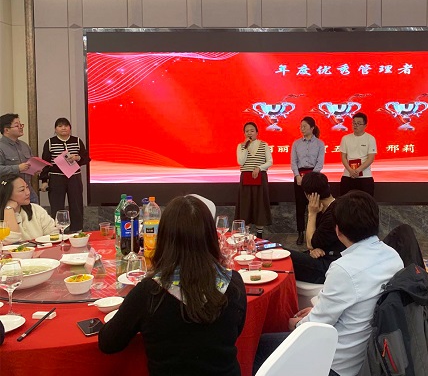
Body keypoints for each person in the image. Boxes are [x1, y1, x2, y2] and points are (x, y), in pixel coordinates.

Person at [254, 190, 403, 376]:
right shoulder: (393, 256)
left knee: (257, 347)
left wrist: (295, 324)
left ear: (338, 231)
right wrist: (316, 310)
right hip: (370, 354)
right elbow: (355, 302)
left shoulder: (344, 269)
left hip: (335, 363)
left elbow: (315, 324)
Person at [99, 195, 247, 375]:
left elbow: (108, 343)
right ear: (210, 236)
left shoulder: (148, 292)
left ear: (164, 238)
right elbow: (237, 330)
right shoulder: (234, 282)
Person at [288, 172, 345, 284]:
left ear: (309, 195)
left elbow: (310, 243)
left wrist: (312, 213)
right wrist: (313, 249)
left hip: (330, 265)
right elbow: (313, 245)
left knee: (282, 255)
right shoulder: (327, 207)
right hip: (323, 256)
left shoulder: (332, 214)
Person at [39, 117, 90, 233]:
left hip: (74, 177)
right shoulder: (50, 142)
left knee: (76, 204)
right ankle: (57, 231)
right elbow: (45, 163)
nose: (63, 128)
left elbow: (86, 158)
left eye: (66, 126)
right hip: (56, 177)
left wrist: (77, 157)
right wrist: (44, 181)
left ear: (70, 128)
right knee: (56, 205)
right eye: (60, 126)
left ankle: (77, 230)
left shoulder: (77, 141)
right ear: (55, 129)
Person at [291, 116, 325, 245]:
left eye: (304, 126)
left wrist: (311, 178)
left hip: (314, 177)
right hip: (299, 177)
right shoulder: (296, 144)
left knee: (315, 205)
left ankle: (315, 233)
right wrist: (297, 176)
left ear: (312, 128)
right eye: (301, 126)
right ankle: (301, 233)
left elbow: (320, 163)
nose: (302, 129)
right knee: (300, 206)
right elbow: (293, 162)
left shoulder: (319, 144)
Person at [235, 122, 273, 239]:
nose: (249, 133)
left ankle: (259, 234)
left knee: (259, 205)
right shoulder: (241, 146)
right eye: (247, 131)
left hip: (259, 177)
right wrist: (246, 147)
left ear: (257, 132)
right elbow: (241, 161)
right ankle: (246, 234)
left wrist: (259, 168)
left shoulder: (264, 145)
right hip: (246, 178)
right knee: (246, 205)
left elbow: (270, 161)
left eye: (252, 130)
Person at [0, 173, 57, 244]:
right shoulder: (5, 213)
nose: (28, 193)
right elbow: (11, 241)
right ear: (7, 194)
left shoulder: (36, 209)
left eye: (27, 187)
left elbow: (53, 233)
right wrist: (9, 209)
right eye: (22, 190)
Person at [0, 113, 38, 203]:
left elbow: (31, 163)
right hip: (9, 194)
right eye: (17, 125)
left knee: (35, 211)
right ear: (6, 130)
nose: (21, 127)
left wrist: (36, 169)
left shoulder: (25, 146)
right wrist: (17, 168)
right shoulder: (1, 147)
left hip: (28, 191)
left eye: (21, 125)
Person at [339, 112, 376, 196]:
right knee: (344, 200)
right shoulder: (345, 138)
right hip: (348, 174)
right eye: (354, 123)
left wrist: (358, 170)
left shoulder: (370, 139)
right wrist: (350, 170)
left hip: (365, 176)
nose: (355, 125)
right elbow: (343, 157)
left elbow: (370, 158)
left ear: (365, 125)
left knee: (366, 200)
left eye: (359, 123)